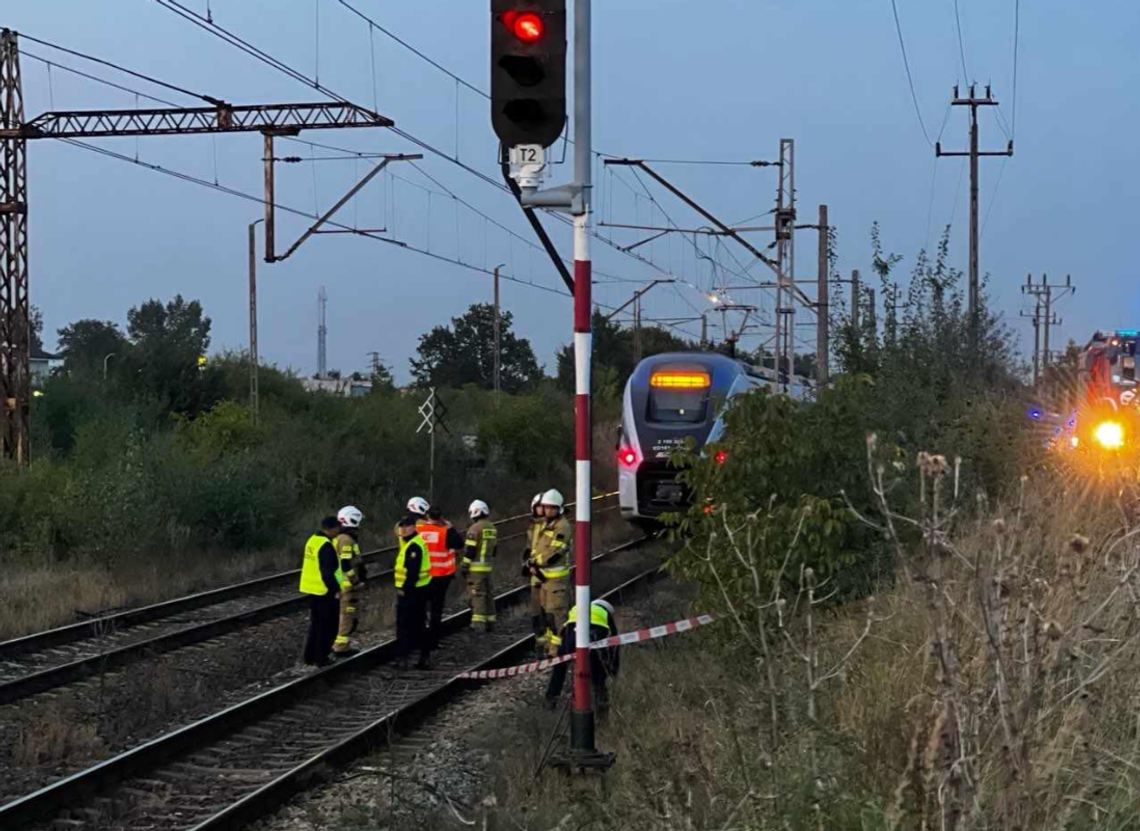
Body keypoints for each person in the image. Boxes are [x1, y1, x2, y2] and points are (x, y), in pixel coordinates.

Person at [544, 599, 621, 717]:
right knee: (599, 680)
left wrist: (562, 653)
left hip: (569, 641)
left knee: (559, 671)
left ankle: (550, 701)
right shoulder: (604, 613)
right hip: (591, 644)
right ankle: (602, 714)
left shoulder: (576, 608)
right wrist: (613, 669)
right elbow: (614, 644)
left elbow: (563, 632)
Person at [527, 489, 572, 657]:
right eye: (546, 507)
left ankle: (559, 653)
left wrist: (535, 562)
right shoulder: (546, 524)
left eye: (552, 508)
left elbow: (553, 552)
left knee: (556, 617)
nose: (548, 511)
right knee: (547, 617)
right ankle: (550, 650)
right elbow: (537, 547)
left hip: (556, 581)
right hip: (544, 579)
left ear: (559, 508)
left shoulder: (562, 527)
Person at [299, 516, 343, 667]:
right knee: (328, 626)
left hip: (312, 589)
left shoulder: (313, 540)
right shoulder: (326, 546)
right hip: (324, 591)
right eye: (338, 527)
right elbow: (327, 573)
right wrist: (336, 590)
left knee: (316, 625)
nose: (339, 530)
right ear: (331, 529)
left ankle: (310, 656)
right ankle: (321, 657)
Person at [418, 506, 464, 648]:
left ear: (427, 516)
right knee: (436, 610)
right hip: (441, 577)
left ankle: (419, 638)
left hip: (423, 577)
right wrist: (450, 527)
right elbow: (459, 544)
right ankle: (433, 641)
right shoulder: (445, 532)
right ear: (441, 517)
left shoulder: (419, 530)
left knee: (420, 608)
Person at [394, 510, 433, 670]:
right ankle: (421, 657)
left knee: (406, 625)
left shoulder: (414, 546)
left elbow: (413, 572)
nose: (403, 529)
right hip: (418, 590)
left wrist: (404, 589)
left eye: (407, 526)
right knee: (417, 624)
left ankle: (406, 658)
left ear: (413, 527)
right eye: (402, 526)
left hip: (413, 592)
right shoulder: (408, 542)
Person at [332, 505, 367, 658]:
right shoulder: (346, 540)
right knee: (347, 616)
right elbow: (346, 564)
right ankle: (340, 647)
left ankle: (339, 644)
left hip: (343, 585)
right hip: (348, 587)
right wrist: (355, 581)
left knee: (344, 615)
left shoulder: (339, 538)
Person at [462, 499, 498, 631]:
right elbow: (495, 549)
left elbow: (470, 550)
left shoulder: (475, 528)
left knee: (478, 595)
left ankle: (478, 624)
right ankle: (491, 622)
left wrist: (464, 566)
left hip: (476, 568)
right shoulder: (492, 527)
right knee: (488, 594)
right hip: (488, 566)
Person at [521, 493, 545, 642]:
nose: (542, 510)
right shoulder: (532, 527)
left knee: (550, 612)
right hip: (535, 574)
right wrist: (526, 562)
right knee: (536, 611)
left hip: (548, 574)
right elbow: (529, 548)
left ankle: (551, 648)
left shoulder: (554, 526)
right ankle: (540, 642)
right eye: (539, 507)